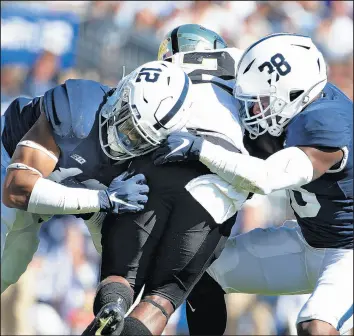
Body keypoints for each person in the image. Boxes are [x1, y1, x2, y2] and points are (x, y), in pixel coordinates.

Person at [154, 33, 353, 335]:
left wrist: (201, 149)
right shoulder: (299, 106)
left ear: (293, 93)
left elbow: (265, 178)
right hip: (309, 240)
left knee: (316, 326)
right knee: (202, 273)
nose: (253, 112)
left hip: (349, 253)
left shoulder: (325, 123)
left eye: (261, 102)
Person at [82, 26, 250, 336]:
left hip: (156, 161)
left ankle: (115, 306)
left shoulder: (158, 70)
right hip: (215, 180)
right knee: (163, 298)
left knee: (120, 276)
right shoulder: (245, 68)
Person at [1, 60, 191, 295]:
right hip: (7, 158)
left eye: (140, 139)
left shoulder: (140, 167)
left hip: (44, 197)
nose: (126, 138)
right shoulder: (79, 110)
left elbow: (110, 245)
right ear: (121, 95)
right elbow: (15, 189)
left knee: (13, 262)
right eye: (127, 122)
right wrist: (102, 200)